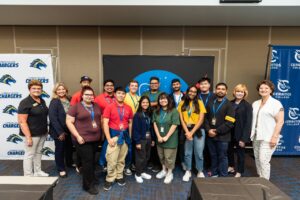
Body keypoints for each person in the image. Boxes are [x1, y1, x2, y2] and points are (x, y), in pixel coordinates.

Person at [66, 86, 101, 195]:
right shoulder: (75, 107)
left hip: (95, 139)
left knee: (92, 161)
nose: (89, 96)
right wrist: (77, 136)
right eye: (87, 94)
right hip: (82, 140)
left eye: (91, 95)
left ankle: (91, 178)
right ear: (82, 95)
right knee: (87, 162)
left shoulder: (96, 106)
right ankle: (88, 186)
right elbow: (69, 122)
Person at [251, 80, 284, 180]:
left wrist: (274, 137)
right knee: (257, 158)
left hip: (269, 137)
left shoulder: (276, 103)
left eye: (266, 88)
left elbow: (280, 121)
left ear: (271, 90)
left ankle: (265, 182)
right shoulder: (255, 103)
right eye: (261, 88)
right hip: (257, 136)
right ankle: (260, 177)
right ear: (258, 90)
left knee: (263, 160)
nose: (263, 90)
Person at [102, 87, 133, 191]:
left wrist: (130, 136)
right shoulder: (109, 107)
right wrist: (108, 138)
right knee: (111, 160)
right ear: (115, 94)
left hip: (124, 137)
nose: (121, 95)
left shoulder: (128, 108)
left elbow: (130, 123)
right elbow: (105, 123)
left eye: (123, 93)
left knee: (121, 159)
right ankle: (110, 178)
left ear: (125, 95)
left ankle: (119, 176)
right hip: (114, 136)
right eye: (119, 93)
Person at [18, 80, 49, 177]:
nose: (37, 90)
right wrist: (28, 137)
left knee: (38, 152)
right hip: (32, 134)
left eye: (39, 88)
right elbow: (22, 122)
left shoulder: (41, 100)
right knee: (29, 155)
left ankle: (37, 171)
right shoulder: (25, 102)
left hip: (42, 133)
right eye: (34, 88)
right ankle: (28, 175)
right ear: (29, 89)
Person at [204, 82, 235, 177]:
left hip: (223, 137)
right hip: (210, 135)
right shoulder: (210, 103)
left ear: (226, 92)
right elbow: (205, 118)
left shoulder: (229, 105)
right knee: (213, 155)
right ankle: (214, 172)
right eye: (218, 89)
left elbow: (230, 122)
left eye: (223, 89)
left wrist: (216, 131)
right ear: (215, 90)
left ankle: (223, 175)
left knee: (222, 157)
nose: (220, 91)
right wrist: (208, 130)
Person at [178, 86, 207, 181]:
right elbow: (181, 119)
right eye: (191, 91)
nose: (192, 93)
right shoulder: (182, 103)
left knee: (199, 152)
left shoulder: (200, 102)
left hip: (198, 130)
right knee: (187, 152)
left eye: (195, 92)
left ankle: (200, 170)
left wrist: (192, 132)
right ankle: (188, 170)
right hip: (186, 129)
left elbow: (201, 119)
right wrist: (187, 132)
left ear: (196, 93)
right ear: (187, 92)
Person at [153, 93, 180, 184]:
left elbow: (175, 124)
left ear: (168, 100)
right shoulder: (156, 111)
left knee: (169, 157)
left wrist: (166, 137)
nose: (162, 100)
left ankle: (169, 173)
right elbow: (155, 124)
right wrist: (159, 136)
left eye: (164, 99)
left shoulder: (174, 111)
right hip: (159, 138)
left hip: (170, 139)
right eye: (161, 99)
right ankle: (164, 170)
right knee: (161, 156)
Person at [49, 82, 74, 178]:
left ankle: (69, 163)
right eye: (59, 89)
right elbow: (53, 118)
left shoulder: (69, 98)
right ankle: (61, 169)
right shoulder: (54, 101)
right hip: (58, 130)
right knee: (60, 150)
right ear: (56, 91)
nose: (61, 91)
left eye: (63, 89)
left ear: (66, 90)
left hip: (69, 129)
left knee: (69, 148)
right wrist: (60, 132)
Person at [227, 84, 252, 177]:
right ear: (234, 92)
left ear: (244, 93)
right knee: (229, 151)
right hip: (229, 132)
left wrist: (244, 139)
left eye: (242, 92)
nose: (239, 93)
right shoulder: (229, 103)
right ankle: (231, 166)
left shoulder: (247, 106)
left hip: (240, 134)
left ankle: (239, 171)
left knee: (240, 154)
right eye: (238, 91)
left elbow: (248, 123)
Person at [132, 96, 155, 183]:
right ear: (140, 104)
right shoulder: (137, 115)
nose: (145, 104)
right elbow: (135, 129)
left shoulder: (150, 113)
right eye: (143, 102)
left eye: (147, 102)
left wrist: (153, 139)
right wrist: (137, 142)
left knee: (146, 156)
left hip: (149, 138)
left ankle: (143, 172)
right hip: (141, 139)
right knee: (140, 157)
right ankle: (138, 174)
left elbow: (151, 127)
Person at [142, 76, 163, 172]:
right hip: (146, 119)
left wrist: (150, 103)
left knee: (157, 140)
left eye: (155, 83)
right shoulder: (145, 93)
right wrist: (155, 103)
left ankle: (157, 163)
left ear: (159, 84)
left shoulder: (162, 94)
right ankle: (148, 161)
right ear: (149, 85)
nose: (154, 85)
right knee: (148, 140)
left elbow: (162, 103)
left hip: (159, 120)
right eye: (152, 83)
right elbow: (143, 104)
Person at [94, 79, 115, 172]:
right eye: (107, 85)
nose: (109, 87)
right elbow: (94, 112)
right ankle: (102, 162)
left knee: (113, 144)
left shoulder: (117, 97)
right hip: (104, 124)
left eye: (111, 85)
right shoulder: (98, 98)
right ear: (104, 87)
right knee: (106, 143)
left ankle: (110, 162)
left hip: (116, 125)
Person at [198, 77, 216, 175]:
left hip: (210, 124)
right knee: (200, 148)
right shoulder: (196, 96)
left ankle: (210, 166)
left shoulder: (214, 96)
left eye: (205, 84)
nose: (203, 86)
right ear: (199, 86)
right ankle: (201, 166)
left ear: (209, 85)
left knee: (210, 148)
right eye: (201, 84)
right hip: (198, 125)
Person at [123, 80, 140, 175]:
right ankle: (126, 166)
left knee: (135, 145)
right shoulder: (124, 96)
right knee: (127, 145)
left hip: (136, 125)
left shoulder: (139, 97)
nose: (134, 87)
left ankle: (133, 163)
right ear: (129, 87)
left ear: (137, 87)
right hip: (127, 124)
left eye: (135, 86)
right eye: (132, 85)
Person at [169, 78, 185, 170]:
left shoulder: (186, 96)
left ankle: (182, 161)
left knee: (182, 144)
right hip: (172, 123)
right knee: (172, 143)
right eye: (174, 84)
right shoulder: (169, 96)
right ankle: (172, 162)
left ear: (180, 85)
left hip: (183, 124)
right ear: (172, 86)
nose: (176, 86)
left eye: (177, 84)